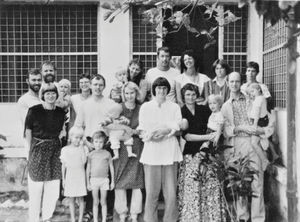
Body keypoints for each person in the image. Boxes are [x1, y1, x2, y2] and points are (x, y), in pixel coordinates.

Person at [221, 72, 268, 222]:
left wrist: (259, 130)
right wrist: (242, 127)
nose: (234, 84)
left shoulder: (252, 99)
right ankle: (242, 217)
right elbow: (226, 130)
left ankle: (258, 218)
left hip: (253, 142)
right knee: (239, 183)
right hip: (237, 144)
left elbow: (263, 118)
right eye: (231, 81)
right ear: (227, 83)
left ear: (241, 83)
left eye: (237, 81)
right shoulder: (225, 106)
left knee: (257, 183)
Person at [178, 83, 226, 222]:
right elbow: (187, 136)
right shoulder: (181, 111)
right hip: (191, 153)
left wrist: (212, 138)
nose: (191, 97)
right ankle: (192, 218)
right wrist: (206, 137)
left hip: (208, 151)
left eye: (193, 94)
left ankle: (212, 217)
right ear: (183, 96)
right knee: (192, 186)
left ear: (197, 95)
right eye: (187, 94)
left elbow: (216, 125)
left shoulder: (205, 110)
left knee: (210, 185)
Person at [138, 77, 182, 222]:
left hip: (170, 151)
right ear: (154, 90)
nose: (161, 91)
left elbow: (178, 126)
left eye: (164, 88)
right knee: (151, 192)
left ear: (168, 90)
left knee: (170, 192)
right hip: (152, 153)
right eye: (158, 88)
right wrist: (150, 136)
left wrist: (166, 131)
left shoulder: (174, 107)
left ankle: (170, 219)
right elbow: (142, 128)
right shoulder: (146, 107)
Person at [74, 74, 116, 222]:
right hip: (91, 145)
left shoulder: (110, 103)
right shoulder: (84, 105)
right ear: (90, 86)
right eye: (95, 84)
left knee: (107, 178)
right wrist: (86, 143)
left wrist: (109, 141)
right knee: (91, 179)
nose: (97, 87)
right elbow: (78, 127)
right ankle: (90, 211)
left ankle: (108, 211)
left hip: (107, 144)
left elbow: (115, 124)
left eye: (100, 84)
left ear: (104, 86)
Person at [24, 83, 66, 222]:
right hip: (37, 150)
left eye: (53, 93)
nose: (50, 96)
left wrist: (61, 134)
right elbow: (28, 131)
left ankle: (47, 216)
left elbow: (62, 129)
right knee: (36, 188)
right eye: (47, 93)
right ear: (42, 95)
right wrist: (29, 152)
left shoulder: (61, 112)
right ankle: (34, 219)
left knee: (53, 188)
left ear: (56, 94)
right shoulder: (34, 110)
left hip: (54, 151)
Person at [113, 82, 144, 222]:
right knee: (120, 180)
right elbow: (112, 126)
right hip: (120, 147)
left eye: (132, 93)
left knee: (137, 179)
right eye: (126, 93)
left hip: (137, 145)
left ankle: (134, 214)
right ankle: (122, 213)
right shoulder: (119, 108)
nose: (129, 96)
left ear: (136, 94)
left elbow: (144, 128)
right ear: (123, 94)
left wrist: (134, 131)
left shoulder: (141, 108)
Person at [86, 131, 114, 222]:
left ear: (104, 142)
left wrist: (112, 181)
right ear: (92, 142)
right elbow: (88, 169)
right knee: (95, 201)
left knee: (103, 201)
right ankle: (95, 220)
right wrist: (87, 183)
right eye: (96, 142)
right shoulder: (90, 155)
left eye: (101, 142)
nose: (98, 144)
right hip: (93, 180)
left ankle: (104, 219)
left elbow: (111, 168)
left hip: (104, 180)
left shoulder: (107, 154)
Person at [60, 127, 88, 222]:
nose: (78, 140)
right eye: (76, 137)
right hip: (70, 176)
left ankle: (80, 219)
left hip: (80, 175)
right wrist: (63, 179)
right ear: (71, 137)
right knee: (71, 199)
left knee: (81, 198)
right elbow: (64, 165)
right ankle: (73, 219)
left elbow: (84, 161)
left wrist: (81, 148)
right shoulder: (65, 149)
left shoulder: (83, 149)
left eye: (80, 138)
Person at [17, 68, 42, 157]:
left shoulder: (44, 98)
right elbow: (29, 125)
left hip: (45, 141)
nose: (36, 83)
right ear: (27, 81)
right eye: (33, 80)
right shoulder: (24, 100)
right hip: (32, 141)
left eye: (39, 80)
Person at [248, 83, 270, 170]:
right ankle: (266, 159)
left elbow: (257, 113)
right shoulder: (261, 98)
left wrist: (254, 125)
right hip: (263, 120)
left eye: (253, 91)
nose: (252, 93)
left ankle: (265, 160)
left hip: (259, 122)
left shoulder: (258, 100)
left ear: (259, 90)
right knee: (259, 142)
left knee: (254, 143)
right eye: (250, 92)